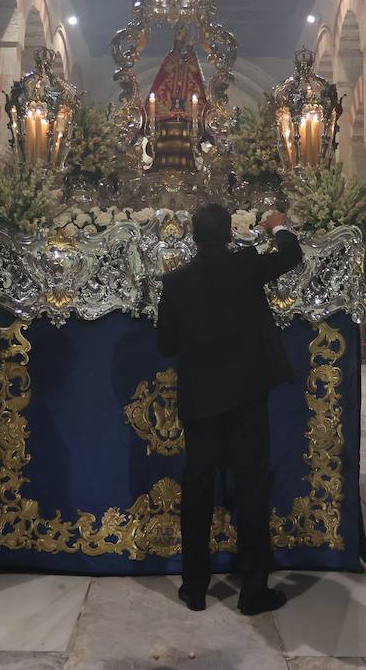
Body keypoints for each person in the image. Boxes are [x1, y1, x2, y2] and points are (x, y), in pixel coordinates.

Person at [156, 204, 302, 616]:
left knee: (198, 490)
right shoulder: (246, 267)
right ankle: (253, 590)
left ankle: (195, 588)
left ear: (193, 235)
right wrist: (279, 227)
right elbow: (291, 255)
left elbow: (165, 346)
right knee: (252, 488)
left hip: (201, 401)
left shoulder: (176, 282)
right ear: (229, 235)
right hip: (247, 397)